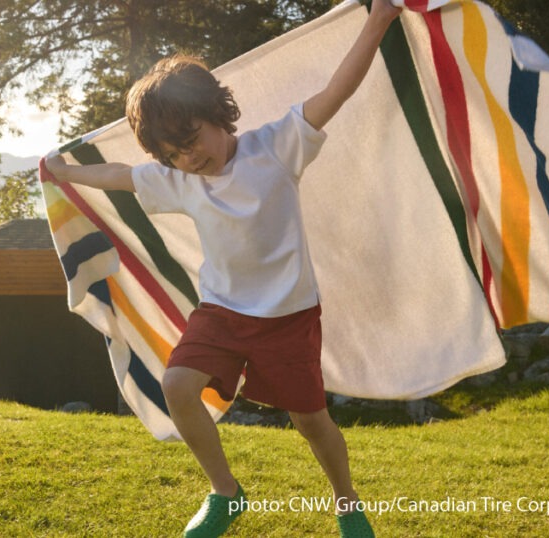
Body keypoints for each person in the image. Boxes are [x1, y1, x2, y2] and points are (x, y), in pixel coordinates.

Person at [46, 1, 401, 536]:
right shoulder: (181, 182)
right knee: (177, 384)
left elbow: (337, 91)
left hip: (288, 318)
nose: (187, 159)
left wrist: (378, 19)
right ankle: (226, 493)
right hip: (221, 313)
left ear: (217, 113)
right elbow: (120, 174)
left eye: (190, 141)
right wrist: (63, 171)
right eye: (173, 155)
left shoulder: (276, 147)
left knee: (310, 422)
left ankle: (347, 503)